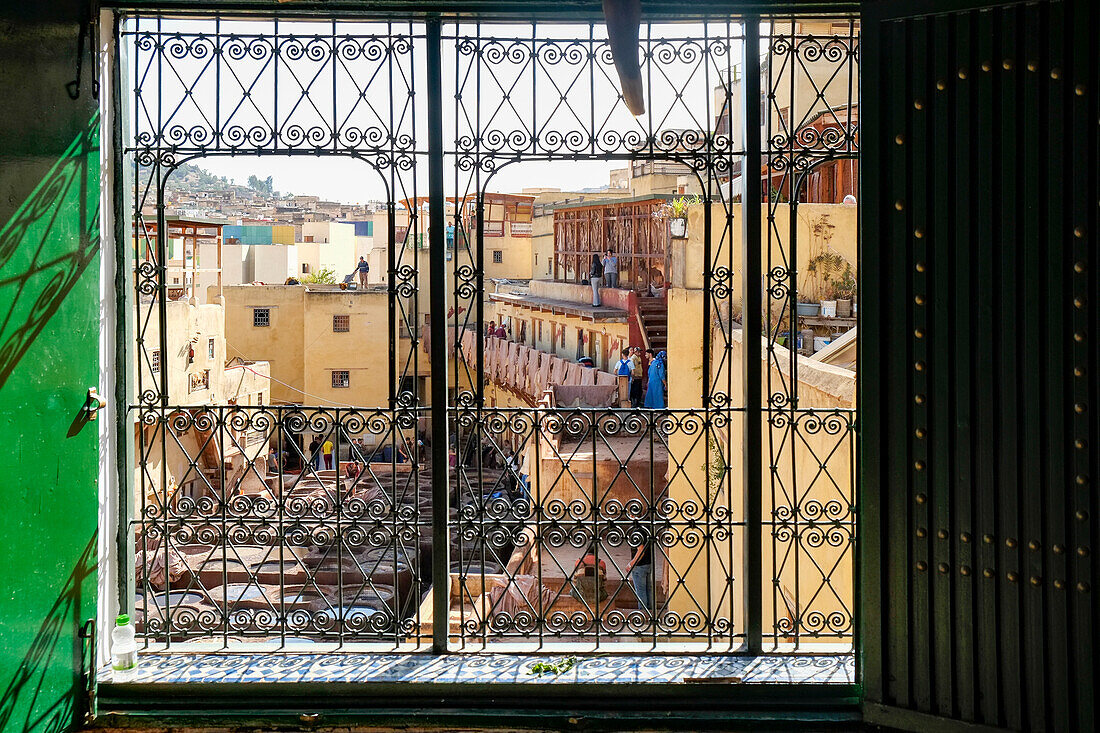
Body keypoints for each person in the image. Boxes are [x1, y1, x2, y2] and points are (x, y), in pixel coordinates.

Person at [625, 531, 654, 613]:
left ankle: (643, 614)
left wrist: (631, 564)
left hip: (639, 566)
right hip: (648, 563)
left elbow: (641, 550)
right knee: (648, 589)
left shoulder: (636, 530)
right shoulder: (647, 527)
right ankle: (651, 613)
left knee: (641, 591)